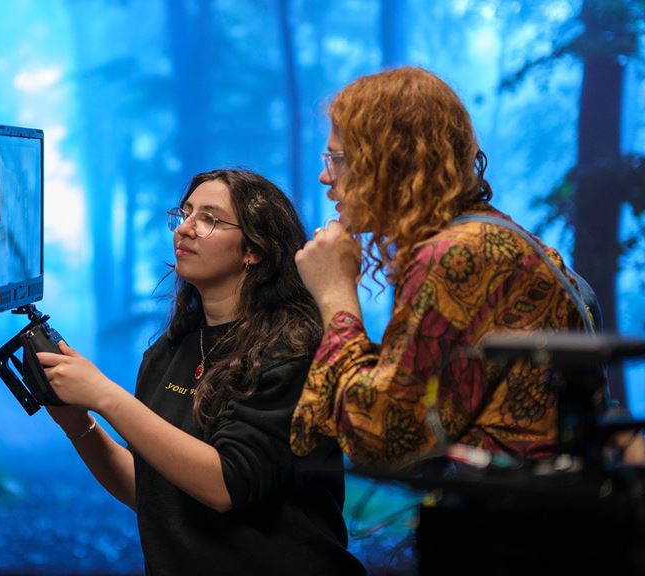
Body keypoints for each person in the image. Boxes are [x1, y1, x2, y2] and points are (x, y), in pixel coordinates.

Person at [37, 169, 366, 576]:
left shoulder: (294, 350)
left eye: (209, 219)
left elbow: (226, 486)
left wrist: (105, 396)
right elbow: (151, 491)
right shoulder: (168, 351)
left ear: (255, 250)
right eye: (186, 213)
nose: (186, 229)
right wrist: (78, 423)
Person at [289, 66, 602, 466]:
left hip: (520, 520)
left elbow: (383, 437)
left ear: (393, 161)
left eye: (337, 158)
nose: (323, 177)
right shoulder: (482, 239)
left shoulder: (457, 254)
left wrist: (336, 296)